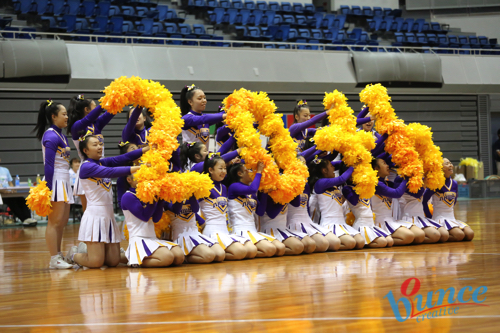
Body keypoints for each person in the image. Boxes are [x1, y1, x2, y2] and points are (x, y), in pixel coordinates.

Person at [67, 135, 148, 268]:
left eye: (100, 144)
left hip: (108, 215)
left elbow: (123, 158)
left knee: (113, 261)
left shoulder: (101, 162)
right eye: (94, 145)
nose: (99, 147)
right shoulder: (86, 167)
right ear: (85, 151)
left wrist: (146, 149)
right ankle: (73, 254)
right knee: (95, 262)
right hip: (95, 216)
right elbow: (111, 172)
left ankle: (98, 252)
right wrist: (140, 168)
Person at [32, 100, 74, 269]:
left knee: (62, 221)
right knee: (54, 222)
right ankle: (53, 258)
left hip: (64, 181)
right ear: (53, 116)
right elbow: (48, 164)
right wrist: (48, 188)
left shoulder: (61, 135)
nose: (66, 117)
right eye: (63, 114)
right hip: (55, 181)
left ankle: (59, 255)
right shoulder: (50, 135)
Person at [200, 154, 258, 260]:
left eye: (225, 168)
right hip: (212, 231)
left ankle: (217, 253)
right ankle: (213, 253)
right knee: (238, 252)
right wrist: (201, 222)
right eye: (220, 168)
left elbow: (233, 172)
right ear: (210, 170)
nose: (224, 171)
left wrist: (237, 162)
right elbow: (194, 208)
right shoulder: (204, 186)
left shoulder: (223, 187)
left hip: (225, 231)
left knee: (251, 251)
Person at [121, 174, 185, 268]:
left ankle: (131, 256)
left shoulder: (147, 195)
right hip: (139, 239)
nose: (143, 178)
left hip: (152, 238)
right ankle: (132, 259)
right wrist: (154, 198)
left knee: (179, 256)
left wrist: (160, 200)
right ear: (129, 179)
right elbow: (145, 216)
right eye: (139, 176)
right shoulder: (128, 196)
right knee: (167, 258)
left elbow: (156, 218)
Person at [227, 162, 286, 257]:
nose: (253, 172)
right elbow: (253, 188)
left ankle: (247, 253)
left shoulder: (252, 193)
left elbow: (260, 212)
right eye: (250, 170)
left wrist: (265, 192)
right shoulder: (234, 187)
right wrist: (259, 171)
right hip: (239, 231)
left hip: (253, 231)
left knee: (280, 248)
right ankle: (241, 252)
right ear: (240, 174)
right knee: (269, 249)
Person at [68, 96, 114, 212]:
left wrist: (119, 98)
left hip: (101, 167)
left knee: (106, 210)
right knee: (89, 212)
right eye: (95, 105)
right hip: (88, 169)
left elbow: (111, 111)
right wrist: (105, 102)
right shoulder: (77, 126)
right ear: (87, 109)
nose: (98, 107)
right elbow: (88, 119)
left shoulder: (96, 124)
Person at [286, 155, 340, 252]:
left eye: (305, 164)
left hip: (307, 221)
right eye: (302, 163)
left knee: (334, 242)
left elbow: (305, 207)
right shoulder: (287, 183)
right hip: (294, 223)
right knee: (315, 245)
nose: (305, 167)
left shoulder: (305, 185)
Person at [309, 158, 365, 250]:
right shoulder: (320, 183)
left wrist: (349, 160)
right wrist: (353, 165)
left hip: (341, 223)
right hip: (329, 224)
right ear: (324, 170)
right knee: (350, 243)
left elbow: (340, 164)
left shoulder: (334, 186)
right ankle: (324, 244)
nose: (334, 168)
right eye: (331, 166)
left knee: (360, 242)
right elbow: (342, 178)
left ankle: (332, 243)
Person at [371, 157, 425, 245]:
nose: (388, 166)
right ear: (376, 168)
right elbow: (397, 193)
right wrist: (406, 176)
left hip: (391, 220)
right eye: (384, 163)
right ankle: (383, 239)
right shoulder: (376, 183)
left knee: (420, 235)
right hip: (380, 222)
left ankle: (388, 238)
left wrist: (417, 177)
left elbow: (417, 194)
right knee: (409, 237)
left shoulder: (387, 183)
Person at [423, 158, 474, 242]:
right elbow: (424, 201)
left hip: (451, 218)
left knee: (470, 234)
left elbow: (455, 200)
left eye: (450, 163)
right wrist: (430, 217)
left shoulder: (454, 183)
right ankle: (440, 235)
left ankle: (444, 234)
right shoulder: (435, 183)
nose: (450, 165)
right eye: (447, 163)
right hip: (439, 218)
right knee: (459, 235)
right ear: (440, 168)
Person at [343, 179, 394, 248]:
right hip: (361, 225)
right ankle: (362, 242)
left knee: (390, 241)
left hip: (371, 224)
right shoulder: (347, 188)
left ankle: (366, 241)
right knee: (382, 242)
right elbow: (354, 201)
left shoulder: (366, 187)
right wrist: (360, 186)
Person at [0, 158, 37, 226]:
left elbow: (10, 183)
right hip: (1, 195)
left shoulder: (5, 170)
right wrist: (4, 191)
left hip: (8, 193)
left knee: (22, 200)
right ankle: (24, 219)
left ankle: (28, 218)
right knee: (12, 202)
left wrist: (12, 189)